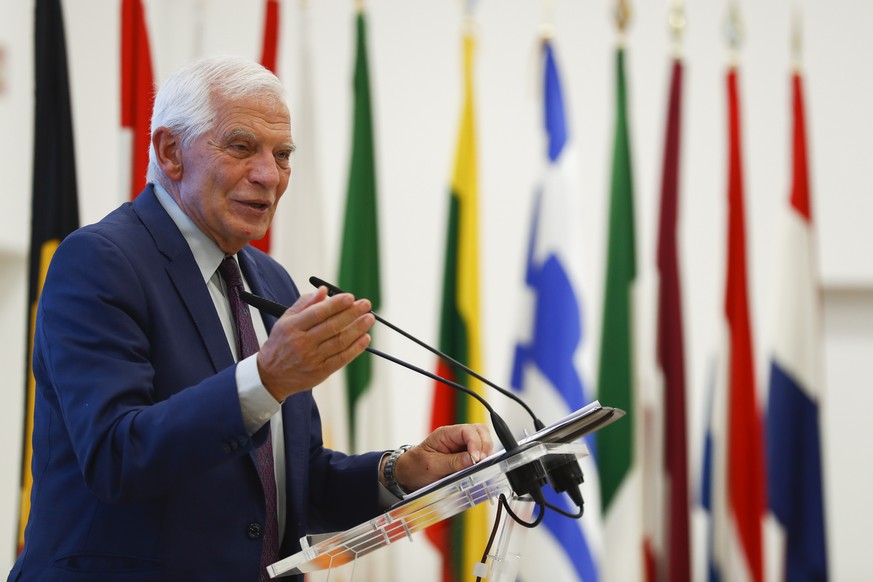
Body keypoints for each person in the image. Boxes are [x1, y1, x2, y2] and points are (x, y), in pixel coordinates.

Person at [10, 55, 493, 582]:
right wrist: (265, 381)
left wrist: (400, 471)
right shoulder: (100, 262)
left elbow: (288, 483)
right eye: (242, 147)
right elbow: (116, 455)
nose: (268, 175)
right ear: (170, 152)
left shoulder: (271, 281)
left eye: (282, 154)